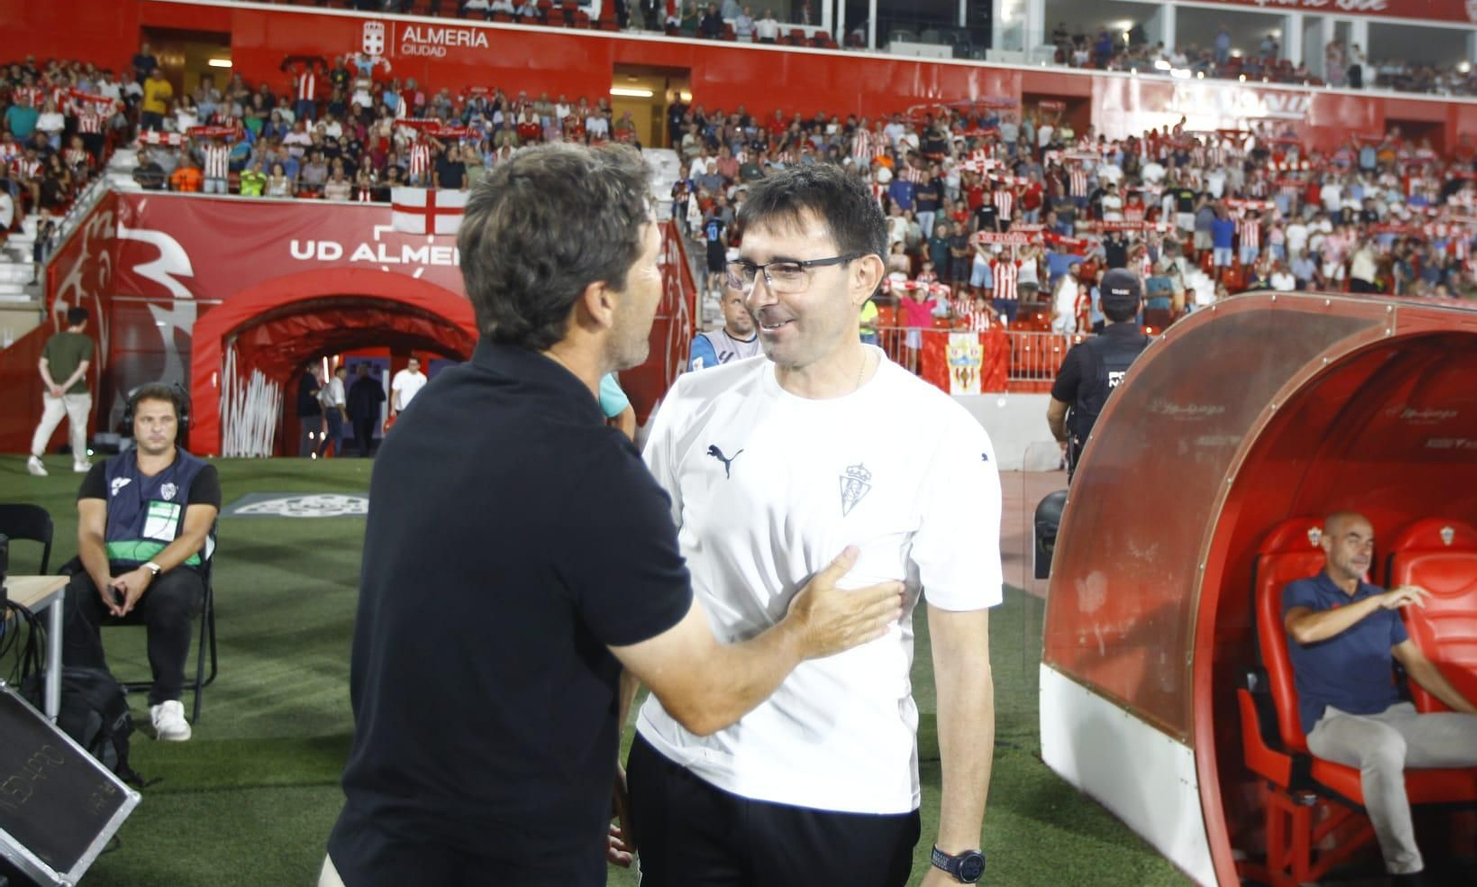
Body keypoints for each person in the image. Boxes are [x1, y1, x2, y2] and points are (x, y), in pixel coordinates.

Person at [321, 145, 902, 887]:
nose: (661, 287)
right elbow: (703, 695)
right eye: (653, 264)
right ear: (600, 298)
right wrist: (803, 630)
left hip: (366, 853)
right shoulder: (592, 473)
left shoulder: (435, 413)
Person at [629, 162, 1001, 887]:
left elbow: (963, 663)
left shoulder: (941, 437)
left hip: (845, 804)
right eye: (751, 268)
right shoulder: (691, 403)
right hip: (679, 769)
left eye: (789, 269)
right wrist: (597, 754)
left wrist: (958, 857)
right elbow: (635, 594)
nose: (760, 295)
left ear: (864, 275)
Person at [1282, 512, 1477, 887]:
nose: (1364, 550)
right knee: (1384, 745)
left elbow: (1418, 666)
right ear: (1326, 542)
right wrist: (1377, 601)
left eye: (1369, 542)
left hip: (1395, 719)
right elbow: (1305, 630)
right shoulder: (1304, 591)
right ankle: (1406, 873)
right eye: (1353, 539)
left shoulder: (1378, 599)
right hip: (1332, 722)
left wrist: (1476, 718)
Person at [62, 384, 218, 743]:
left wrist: (146, 574)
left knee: (172, 598)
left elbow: (193, 538)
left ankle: (166, 701)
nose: (157, 427)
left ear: (179, 423)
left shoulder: (200, 474)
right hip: (108, 569)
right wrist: (103, 580)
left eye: (166, 419)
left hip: (172, 572)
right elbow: (89, 535)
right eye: (147, 419)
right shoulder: (102, 473)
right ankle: (97, 695)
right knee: (67, 595)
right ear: (132, 423)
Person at [1045, 268, 1148, 472]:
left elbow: (1054, 415)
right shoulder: (1157, 351)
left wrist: (1063, 438)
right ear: (1139, 308)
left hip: (1093, 474)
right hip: (1144, 471)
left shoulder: (1081, 355)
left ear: (1100, 305)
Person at [28, 306, 94, 477]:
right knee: (79, 428)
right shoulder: (86, 342)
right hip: (76, 391)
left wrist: (52, 386)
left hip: (51, 391)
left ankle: (35, 457)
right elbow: (82, 368)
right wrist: (65, 387)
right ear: (84, 322)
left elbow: (42, 365)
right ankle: (80, 462)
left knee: (46, 424)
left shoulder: (54, 339)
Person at [687, 285, 761, 371]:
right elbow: (704, 382)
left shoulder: (771, 343)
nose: (744, 309)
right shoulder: (705, 343)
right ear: (722, 306)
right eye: (737, 302)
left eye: (749, 302)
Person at [346, 364, 385, 457]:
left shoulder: (355, 385)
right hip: (372, 414)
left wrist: (349, 414)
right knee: (368, 434)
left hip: (358, 414)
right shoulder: (376, 384)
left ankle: (363, 452)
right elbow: (382, 397)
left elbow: (351, 401)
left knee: (360, 434)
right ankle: (366, 452)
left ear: (359, 372)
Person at [319, 364, 348, 457]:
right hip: (336, 410)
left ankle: (321, 451)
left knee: (331, 434)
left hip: (329, 410)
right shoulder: (338, 384)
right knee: (339, 434)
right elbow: (339, 401)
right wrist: (344, 414)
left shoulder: (329, 383)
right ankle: (337, 454)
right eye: (344, 373)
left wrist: (324, 410)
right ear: (338, 373)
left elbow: (319, 397)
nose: (345, 375)